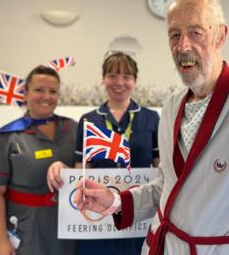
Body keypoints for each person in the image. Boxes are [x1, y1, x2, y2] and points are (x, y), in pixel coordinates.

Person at [73, 0, 229, 255]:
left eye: (196, 32)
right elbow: (168, 186)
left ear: (220, 36)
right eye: (174, 35)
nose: (183, 45)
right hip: (165, 246)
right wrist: (115, 202)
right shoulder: (170, 106)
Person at [47, 51, 160, 255]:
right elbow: (81, 170)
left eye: (127, 77)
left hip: (137, 217)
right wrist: (61, 169)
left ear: (135, 81)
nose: (119, 82)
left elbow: (161, 167)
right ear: (103, 79)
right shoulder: (89, 120)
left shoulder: (151, 118)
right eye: (113, 75)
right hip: (97, 221)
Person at [0, 65, 77, 255]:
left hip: (68, 227)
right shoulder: (6, 138)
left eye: (53, 91)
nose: (46, 96)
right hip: (27, 231)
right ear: (25, 94)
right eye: (39, 90)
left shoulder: (74, 129)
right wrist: (1, 241)